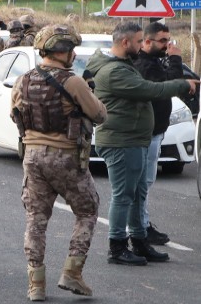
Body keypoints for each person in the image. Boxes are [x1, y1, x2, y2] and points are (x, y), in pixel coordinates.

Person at [86, 22, 198, 266]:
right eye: (139, 41)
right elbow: (148, 89)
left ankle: (139, 241)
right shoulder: (114, 71)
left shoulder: (123, 66)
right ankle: (117, 246)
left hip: (134, 139)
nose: (142, 45)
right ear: (125, 42)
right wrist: (181, 84)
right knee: (124, 195)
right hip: (121, 140)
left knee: (137, 193)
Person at [11, 24, 107, 301]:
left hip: (32, 156)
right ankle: (72, 272)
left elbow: (15, 113)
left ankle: (36, 284)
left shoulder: (23, 80)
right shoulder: (73, 81)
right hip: (66, 156)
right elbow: (99, 115)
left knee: (36, 220)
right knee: (88, 211)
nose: (73, 54)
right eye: (70, 50)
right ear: (61, 52)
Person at [133, 22, 184, 246]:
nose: (167, 45)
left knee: (145, 182)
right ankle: (139, 228)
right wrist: (175, 59)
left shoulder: (152, 61)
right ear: (147, 41)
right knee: (142, 183)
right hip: (147, 132)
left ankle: (141, 225)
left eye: (168, 40)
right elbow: (170, 85)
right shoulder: (145, 64)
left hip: (156, 131)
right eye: (162, 41)